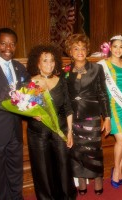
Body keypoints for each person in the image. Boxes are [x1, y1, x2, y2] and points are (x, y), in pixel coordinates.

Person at [26, 45, 77, 199]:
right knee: (42, 169)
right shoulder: (31, 83)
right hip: (38, 133)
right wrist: (32, 114)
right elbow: (25, 107)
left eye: (52, 60)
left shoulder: (61, 81)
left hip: (59, 130)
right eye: (45, 61)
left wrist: (69, 132)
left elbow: (68, 107)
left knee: (63, 166)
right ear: (38, 63)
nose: (49, 64)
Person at [64, 34, 111, 195]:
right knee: (77, 152)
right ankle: (82, 184)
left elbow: (103, 94)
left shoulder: (97, 69)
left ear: (87, 51)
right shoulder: (65, 71)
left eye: (83, 48)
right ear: (70, 51)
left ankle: (98, 181)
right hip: (73, 119)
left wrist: (107, 118)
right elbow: (64, 97)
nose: (80, 51)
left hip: (92, 117)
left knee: (93, 152)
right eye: (76, 48)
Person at [0, 27, 30, 199]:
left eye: (12, 44)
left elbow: (29, 91)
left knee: (15, 169)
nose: (8, 48)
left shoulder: (19, 67)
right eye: (3, 43)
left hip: (15, 130)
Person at [97, 35, 122, 189]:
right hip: (112, 106)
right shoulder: (103, 64)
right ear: (110, 47)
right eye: (115, 46)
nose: (118, 49)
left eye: (121, 47)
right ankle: (116, 170)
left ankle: (119, 169)